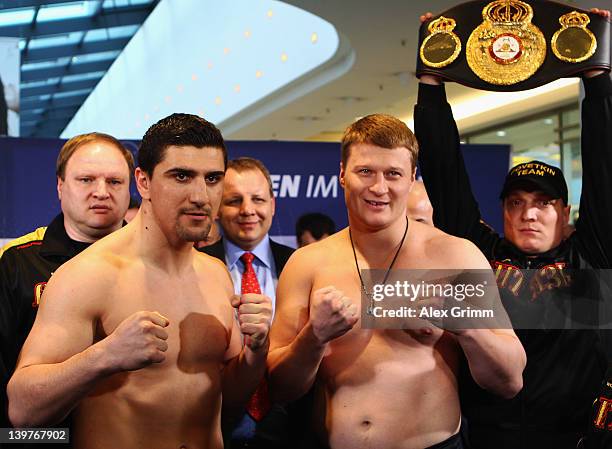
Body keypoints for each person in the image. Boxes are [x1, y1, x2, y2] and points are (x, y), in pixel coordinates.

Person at [7, 114, 272, 449]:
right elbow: (22, 410)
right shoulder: (88, 275)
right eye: (182, 176)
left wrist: (255, 352)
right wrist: (104, 356)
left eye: (213, 178)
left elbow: (230, 397)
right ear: (143, 182)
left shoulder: (216, 274)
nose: (201, 195)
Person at [267, 113, 526, 449]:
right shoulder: (308, 263)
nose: (379, 187)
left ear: (411, 178)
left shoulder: (454, 256)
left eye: (393, 174)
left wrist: (468, 329)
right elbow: (280, 389)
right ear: (343, 175)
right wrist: (313, 338)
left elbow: (510, 381)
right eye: (365, 171)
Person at [414, 9, 611, 449]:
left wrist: (597, 81)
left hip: (576, 441)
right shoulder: (478, 253)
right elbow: (446, 177)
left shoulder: (592, 253)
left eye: (543, 203)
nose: (529, 214)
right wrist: (431, 86)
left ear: (564, 211)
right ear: (502, 210)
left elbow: (603, 169)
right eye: (517, 203)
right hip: (488, 439)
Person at [0, 132, 133, 435]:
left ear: (132, 189)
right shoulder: (16, 262)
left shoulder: (158, 262)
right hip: (41, 436)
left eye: (114, 182)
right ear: (60, 186)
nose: (101, 192)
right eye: (86, 180)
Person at [200, 157, 295, 449]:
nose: (248, 210)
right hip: (214, 425)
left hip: (291, 428)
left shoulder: (299, 263)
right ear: (216, 208)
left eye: (257, 199)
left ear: (273, 205)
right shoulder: (195, 267)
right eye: (234, 200)